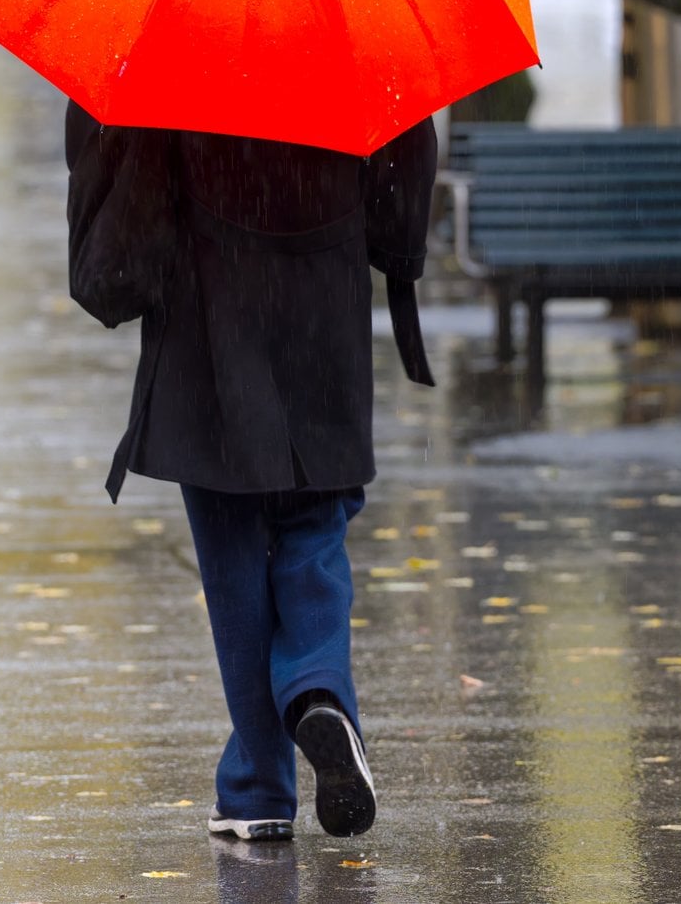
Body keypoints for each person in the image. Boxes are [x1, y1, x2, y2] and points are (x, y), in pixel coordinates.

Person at [65, 102, 438, 843]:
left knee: (234, 558)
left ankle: (259, 788)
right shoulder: (351, 32)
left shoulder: (171, 39)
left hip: (209, 317)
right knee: (316, 523)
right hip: (323, 317)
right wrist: (387, 241)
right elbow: (405, 171)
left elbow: (112, 164)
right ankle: (318, 691)